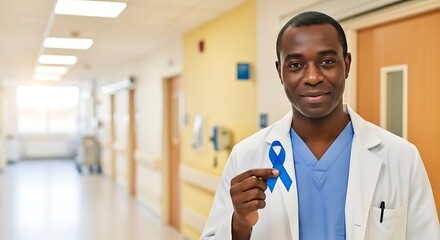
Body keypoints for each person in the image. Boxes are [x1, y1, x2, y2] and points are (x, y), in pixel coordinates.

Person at [201, 11, 440, 240]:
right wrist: (239, 223)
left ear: (346, 64)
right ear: (280, 72)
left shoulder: (401, 157)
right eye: (295, 65)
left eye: (327, 61)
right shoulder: (246, 156)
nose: (313, 77)